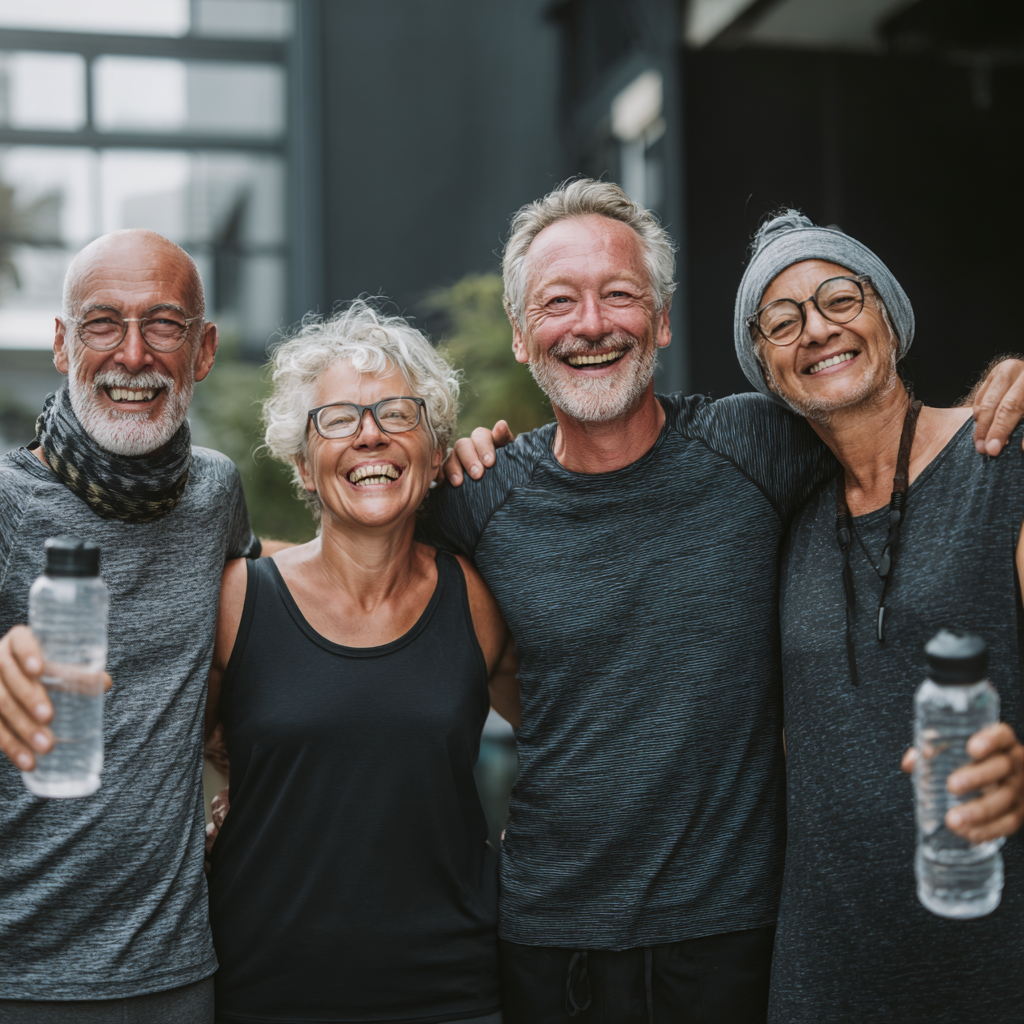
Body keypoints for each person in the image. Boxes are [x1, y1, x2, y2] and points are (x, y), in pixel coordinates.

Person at [430, 179, 1024, 1024]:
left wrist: (1008, 384)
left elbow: (880, 418)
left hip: (737, 939)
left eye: (621, 295)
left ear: (665, 321)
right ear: (523, 336)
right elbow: (364, 583)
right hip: (551, 938)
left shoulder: (755, 445)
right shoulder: (473, 498)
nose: (592, 324)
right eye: (559, 302)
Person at [732, 211, 1024, 1022]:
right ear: (766, 367)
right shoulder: (782, 519)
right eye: (782, 321)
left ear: (886, 315)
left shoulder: (1002, 460)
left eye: (838, 298)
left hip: (995, 966)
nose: (817, 329)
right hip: (825, 978)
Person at [204, 302, 519, 1024]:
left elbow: (572, 743)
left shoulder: (478, 597)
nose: (369, 433)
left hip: (452, 994)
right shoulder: (237, 599)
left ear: (436, 454)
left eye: (397, 413)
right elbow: (164, 750)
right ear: (302, 465)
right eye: (338, 419)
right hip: (265, 993)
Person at [0, 230, 282, 1021]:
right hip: (18, 977)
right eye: (101, 324)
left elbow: (268, 603)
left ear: (203, 350)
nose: (133, 354)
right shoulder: (7, 502)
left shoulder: (215, 495)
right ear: (62, 345)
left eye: (163, 324)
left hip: (177, 973)